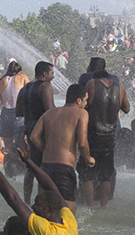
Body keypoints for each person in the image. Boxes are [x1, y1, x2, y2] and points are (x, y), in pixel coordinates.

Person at [0, 142, 78, 235]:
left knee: (13, 227)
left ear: (48, 209)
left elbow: (14, 200)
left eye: (37, 204)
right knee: (16, 224)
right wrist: (28, 161)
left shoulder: (45, 231)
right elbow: (52, 188)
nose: (33, 206)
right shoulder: (69, 222)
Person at [30, 83, 92, 212]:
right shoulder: (81, 113)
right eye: (86, 100)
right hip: (63, 168)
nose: (86, 103)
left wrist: (47, 149)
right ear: (78, 100)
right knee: (68, 210)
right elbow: (82, 143)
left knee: (43, 209)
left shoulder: (49, 113)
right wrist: (88, 158)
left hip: (45, 167)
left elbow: (34, 137)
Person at [81, 68, 130, 207]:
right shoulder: (120, 87)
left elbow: (83, 104)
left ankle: (90, 206)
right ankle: (104, 206)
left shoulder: (91, 84)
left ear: (95, 78)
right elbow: (127, 109)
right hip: (110, 136)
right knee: (106, 174)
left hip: (93, 134)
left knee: (88, 173)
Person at [16, 61, 56, 202]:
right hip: (41, 133)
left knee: (30, 168)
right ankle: (42, 201)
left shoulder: (24, 88)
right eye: (52, 73)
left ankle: (27, 201)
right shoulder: (45, 86)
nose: (53, 76)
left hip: (28, 130)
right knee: (44, 168)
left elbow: (18, 112)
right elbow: (50, 111)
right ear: (44, 74)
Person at [0, 60, 30, 161]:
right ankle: (21, 165)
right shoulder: (23, 77)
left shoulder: (1, 81)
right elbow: (29, 93)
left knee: (8, 147)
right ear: (19, 72)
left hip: (5, 113)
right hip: (19, 113)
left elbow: (2, 101)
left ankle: (8, 166)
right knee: (20, 144)